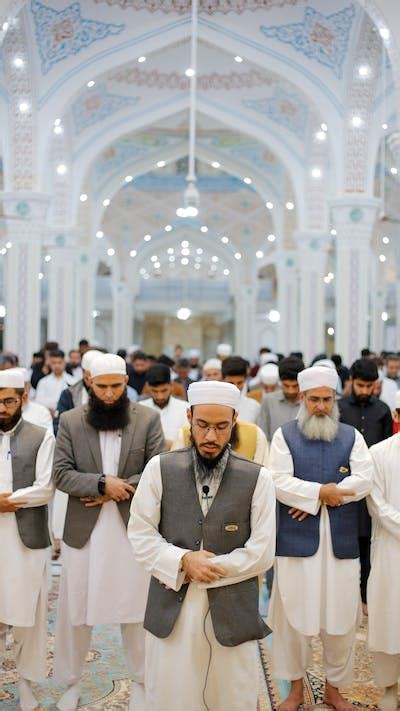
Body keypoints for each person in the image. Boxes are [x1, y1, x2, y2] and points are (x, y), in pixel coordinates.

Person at [128, 380, 276, 710]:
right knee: (171, 694)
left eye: (221, 427)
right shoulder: (159, 468)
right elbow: (140, 534)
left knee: (231, 696)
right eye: (203, 425)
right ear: (189, 417)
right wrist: (182, 561)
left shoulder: (259, 478)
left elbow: (262, 551)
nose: (211, 437)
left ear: (235, 420)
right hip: (171, 608)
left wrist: (208, 567)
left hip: (233, 610)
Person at [52, 353, 165, 711]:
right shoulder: (71, 421)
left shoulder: (147, 418)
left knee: (137, 611)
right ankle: (71, 683)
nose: (110, 394)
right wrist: (101, 484)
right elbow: (61, 474)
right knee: (76, 610)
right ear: (89, 383)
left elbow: (157, 469)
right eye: (102, 387)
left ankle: (143, 683)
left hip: (133, 531)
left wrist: (119, 488)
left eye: (117, 386)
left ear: (126, 383)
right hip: (85, 531)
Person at [268, 365, 372, 711]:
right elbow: (278, 481)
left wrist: (319, 497)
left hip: (341, 546)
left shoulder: (351, 436)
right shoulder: (284, 436)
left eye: (327, 399)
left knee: (342, 621)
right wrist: (318, 495)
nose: (321, 406)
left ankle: (334, 690)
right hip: (296, 545)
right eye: (314, 399)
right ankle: (295, 690)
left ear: (335, 399)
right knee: (294, 619)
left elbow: (365, 479)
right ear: (302, 398)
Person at [0, 369, 55, 710]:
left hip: (25, 541)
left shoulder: (40, 436)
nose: (2, 408)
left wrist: (8, 501)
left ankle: (26, 685)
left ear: (22, 399)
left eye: (8, 400)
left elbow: (46, 487)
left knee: (27, 616)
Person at [338, 358, 392, 614]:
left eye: (370, 386)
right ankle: (346, 598)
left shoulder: (382, 409)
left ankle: (367, 597)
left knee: (369, 542)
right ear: (351, 382)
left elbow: (387, 450)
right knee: (346, 542)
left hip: (374, 486)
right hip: (343, 486)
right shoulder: (338, 408)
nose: (366, 391)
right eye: (361, 385)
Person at [367, 403, 400, 711]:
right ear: (396, 415)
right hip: (391, 549)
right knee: (389, 616)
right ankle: (388, 685)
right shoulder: (378, 453)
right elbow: (375, 504)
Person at [140, 364, 188, 450]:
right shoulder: (140, 409)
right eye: (155, 391)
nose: (160, 396)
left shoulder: (185, 408)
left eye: (164, 390)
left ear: (171, 385)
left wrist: (173, 445)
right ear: (148, 387)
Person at [258, 356, 303, 441]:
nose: (291, 391)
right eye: (286, 386)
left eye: (295, 386)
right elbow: (262, 436)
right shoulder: (268, 401)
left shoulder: (309, 402)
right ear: (280, 382)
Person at [34, 349, 76, 417]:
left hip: (68, 417)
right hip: (47, 416)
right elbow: (38, 401)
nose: (56, 366)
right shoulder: (43, 382)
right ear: (50, 363)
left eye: (59, 363)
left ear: (64, 363)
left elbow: (75, 402)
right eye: (54, 363)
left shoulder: (72, 381)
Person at [221, 356, 260, 423]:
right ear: (223, 379)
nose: (236, 387)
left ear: (245, 380)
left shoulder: (254, 407)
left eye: (239, 383)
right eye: (231, 383)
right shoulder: (212, 405)